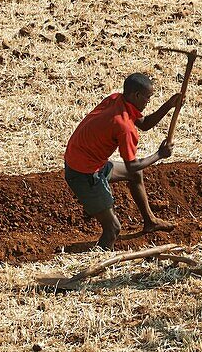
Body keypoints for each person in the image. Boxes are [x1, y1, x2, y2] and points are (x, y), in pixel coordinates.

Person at [64, 74, 180, 250]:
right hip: (83, 172)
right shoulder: (124, 127)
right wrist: (160, 154)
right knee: (113, 229)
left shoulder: (116, 99)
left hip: (85, 160)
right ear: (136, 95)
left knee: (135, 176)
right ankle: (98, 263)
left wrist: (170, 105)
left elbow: (145, 123)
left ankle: (150, 221)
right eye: (148, 97)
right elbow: (131, 165)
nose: (149, 101)